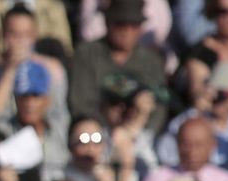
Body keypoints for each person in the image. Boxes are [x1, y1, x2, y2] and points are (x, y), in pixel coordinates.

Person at [156, 61, 228, 181]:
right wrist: (195, 111)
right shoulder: (194, 120)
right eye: (216, 92)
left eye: (225, 93)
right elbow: (165, 154)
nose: (219, 98)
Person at [70, 0, 170, 137]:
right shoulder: (87, 54)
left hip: (140, 136)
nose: (127, 32)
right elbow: (81, 104)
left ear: (141, 28)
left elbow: (160, 106)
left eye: (133, 25)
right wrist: (105, 117)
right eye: (121, 24)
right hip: (96, 136)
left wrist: (138, 128)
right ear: (107, 22)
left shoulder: (151, 61)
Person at [0, 5, 71, 134]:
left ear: (35, 36)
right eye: (14, 34)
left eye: (26, 34)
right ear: (3, 35)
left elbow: (58, 114)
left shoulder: (52, 69)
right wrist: (11, 69)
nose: (20, 41)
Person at [13, 60, 70, 180]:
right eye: (23, 97)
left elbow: (59, 77)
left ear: (47, 99)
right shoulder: (6, 132)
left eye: (36, 96)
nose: (29, 103)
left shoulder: (61, 128)